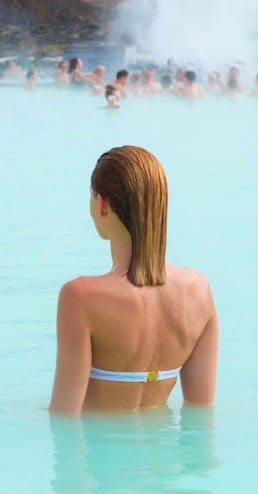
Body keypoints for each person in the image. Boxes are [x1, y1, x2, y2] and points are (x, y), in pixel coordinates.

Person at [49, 146, 218, 413]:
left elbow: (63, 416)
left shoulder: (80, 297)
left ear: (101, 203)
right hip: (163, 453)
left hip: (103, 452)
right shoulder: (199, 290)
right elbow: (201, 414)